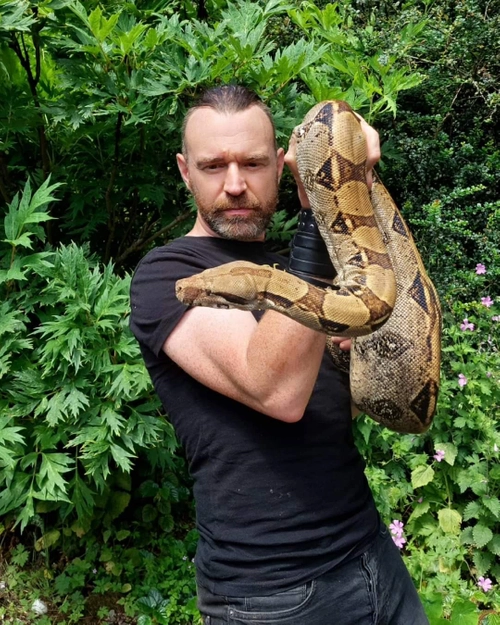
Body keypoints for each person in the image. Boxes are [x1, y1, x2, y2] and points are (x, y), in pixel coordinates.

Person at [130, 85, 429, 625]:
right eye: (213, 166)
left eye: (252, 163)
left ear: (281, 163)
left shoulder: (289, 266)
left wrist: (354, 353)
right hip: (273, 595)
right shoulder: (168, 274)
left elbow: (334, 410)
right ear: (185, 171)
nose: (235, 184)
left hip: (373, 557)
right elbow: (277, 392)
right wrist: (320, 213)